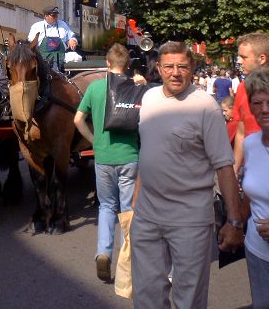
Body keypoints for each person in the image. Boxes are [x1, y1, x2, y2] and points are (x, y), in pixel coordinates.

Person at [130, 41, 243, 309]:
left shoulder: (206, 106)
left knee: (189, 298)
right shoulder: (149, 98)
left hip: (190, 218)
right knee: (147, 296)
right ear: (159, 68)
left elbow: (224, 165)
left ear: (192, 68)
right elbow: (149, 152)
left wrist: (234, 221)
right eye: (169, 66)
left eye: (182, 66)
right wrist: (135, 202)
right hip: (147, 214)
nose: (175, 72)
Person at [75, 43, 145, 282]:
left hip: (103, 157)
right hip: (130, 156)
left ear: (107, 64)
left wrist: (93, 141)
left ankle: (103, 253)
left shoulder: (95, 88)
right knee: (128, 209)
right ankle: (129, 259)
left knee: (106, 206)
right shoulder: (136, 87)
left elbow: (77, 120)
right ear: (128, 65)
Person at [240, 66, 269, 309]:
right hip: (257, 252)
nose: (265, 109)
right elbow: (251, 194)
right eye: (258, 102)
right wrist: (235, 223)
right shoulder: (251, 144)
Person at [233, 33, 269, 175]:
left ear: (262, 58)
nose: (239, 61)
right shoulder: (243, 87)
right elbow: (241, 132)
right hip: (250, 170)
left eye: (244, 57)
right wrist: (234, 170)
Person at [28, 6, 77, 71]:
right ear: (46, 16)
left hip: (61, 58)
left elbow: (71, 36)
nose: (56, 17)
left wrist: (72, 40)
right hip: (42, 60)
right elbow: (31, 44)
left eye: (56, 15)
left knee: (76, 58)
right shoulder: (36, 27)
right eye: (53, 16)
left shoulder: (63, 25)